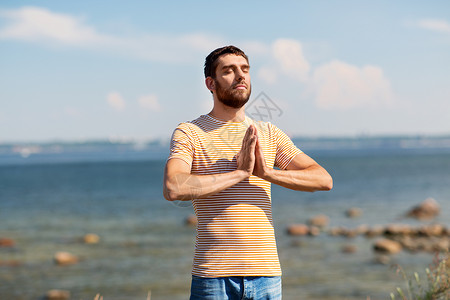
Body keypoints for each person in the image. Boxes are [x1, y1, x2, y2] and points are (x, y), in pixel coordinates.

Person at [163, 45, 333, 300]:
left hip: (267, 276)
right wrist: (239, 173)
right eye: (229, 71)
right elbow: (174, 187)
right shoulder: (190, 132)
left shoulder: (268, 132)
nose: (240, 76)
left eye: (245, 70)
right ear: (210, 83)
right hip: (213, 277)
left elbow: (323, 179)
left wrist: (267, 173)